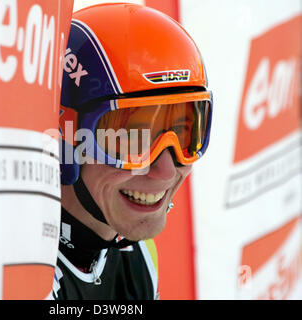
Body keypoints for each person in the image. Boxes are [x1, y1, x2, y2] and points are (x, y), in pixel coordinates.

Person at [52, 3, 212, 300]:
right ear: (66, 138)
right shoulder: (22, 279)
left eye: (184, 134)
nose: (165, 172)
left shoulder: (137, 253)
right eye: (131, 138)